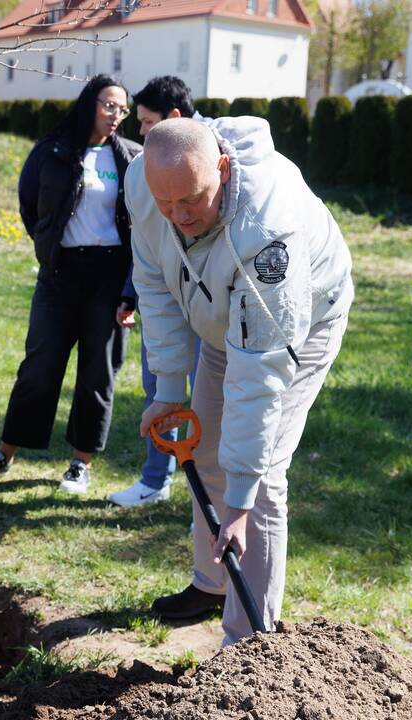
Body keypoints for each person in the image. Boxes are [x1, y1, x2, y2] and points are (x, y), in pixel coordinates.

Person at [128, 118, 353, 643]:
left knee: (263, 475)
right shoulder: (147, 182)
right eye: (167, 205)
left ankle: (249, 644)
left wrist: (240, 503)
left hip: (297, 324)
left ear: (223, 170)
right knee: (204, 449)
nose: (179, 217)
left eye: (191, 201)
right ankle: (212, 583)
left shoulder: (269, 231)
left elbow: (259, 374)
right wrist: (167, 390)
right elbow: (156, 284)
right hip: (220, 317)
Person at [0, 75, 142, 493]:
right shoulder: (52, 149)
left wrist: (130, 291)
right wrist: (49, 244)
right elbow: (29, 206)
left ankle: (81, 464)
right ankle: (4, 455)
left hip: (110, 275)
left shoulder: (132, 158)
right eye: (109, 105)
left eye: (123, 109)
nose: (117, 115)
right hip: (60, 274)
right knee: (39, 367)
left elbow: (143, 227)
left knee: (98, 374)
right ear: (89, 103)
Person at [109, 75, 198, 508]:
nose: (139, 133)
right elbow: (146, 249)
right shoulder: (144, 175)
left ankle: (208, 500)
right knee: (161, 394)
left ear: (174, 119)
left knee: (208, 404)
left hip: (211, 316)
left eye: (146, 123)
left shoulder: (207, 174)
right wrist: (131, 293)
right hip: (163, 304)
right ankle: (154, 480)